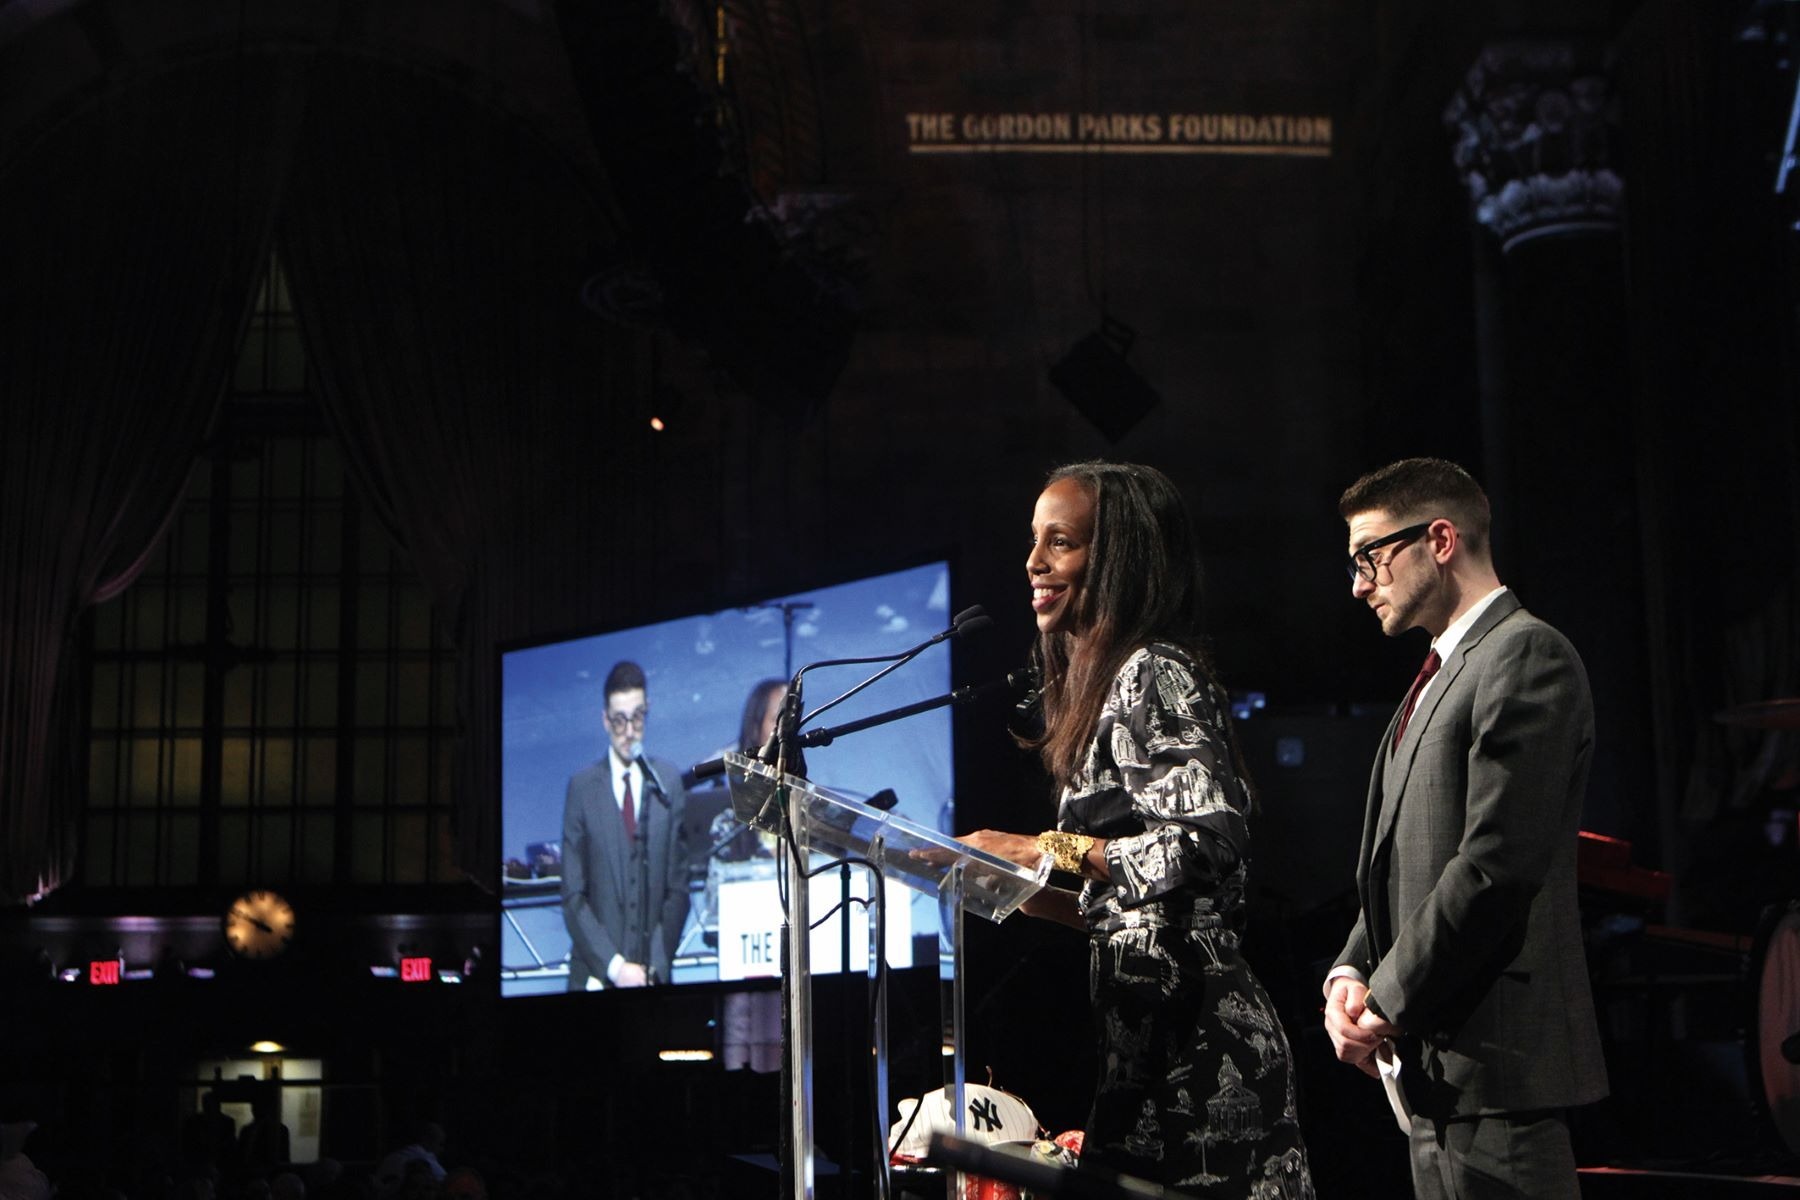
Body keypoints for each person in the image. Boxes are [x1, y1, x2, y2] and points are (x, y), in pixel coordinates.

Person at [947, 461, 1313, 1196]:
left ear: (1117, 559)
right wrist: (1011, 887)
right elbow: (1130, 904)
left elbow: (1208, 840)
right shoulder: (1104, 689)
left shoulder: (1156, 673)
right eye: (1033, 541)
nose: (1034, 563)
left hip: (1204, 1056)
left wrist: (1041, 848)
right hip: (1142, 1060)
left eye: (1062, 543)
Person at [1322, 457, 1607, 1199]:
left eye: (1370, 557)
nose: (1358, 584)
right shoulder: (1442, 674)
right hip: (1435, 1074)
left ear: (1440, 539)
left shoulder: (1527, 655)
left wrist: (1383, 997)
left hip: (1501, 1069)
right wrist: (1352, 971)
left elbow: (1493, 865)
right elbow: (1399, 867)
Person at [561, 660, 691, 989]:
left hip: (654, 981)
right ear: (605, 720)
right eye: (619, 721)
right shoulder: (582, 788)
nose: (629, 731)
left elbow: (677, 889)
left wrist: (655, 967)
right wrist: (616, 968)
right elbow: (573, 895)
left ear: (646, 712)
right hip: (594, 979)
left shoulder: (667, 782)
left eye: (637, 718)